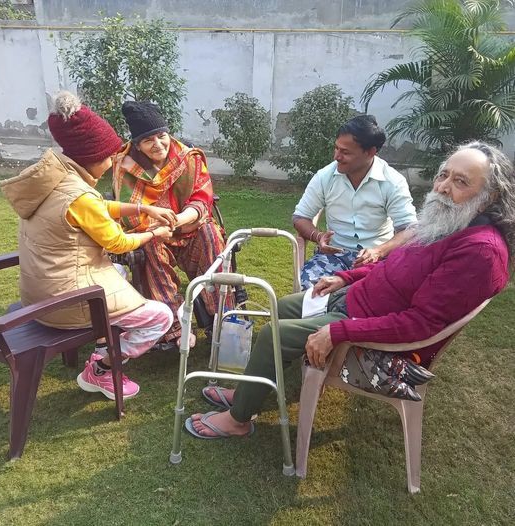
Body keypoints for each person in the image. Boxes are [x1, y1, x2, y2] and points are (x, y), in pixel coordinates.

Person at [185, 141, 514, 438]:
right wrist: (346, 277)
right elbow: (394, 266)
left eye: (461, 182)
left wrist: (338, 332)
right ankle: (249, 392)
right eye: (444, 175)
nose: (442, 187)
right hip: (355, 300)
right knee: (281, 307)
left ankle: (238, 419)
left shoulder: (479, 252)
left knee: (275, 334)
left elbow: (420, 324)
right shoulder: (449, 224)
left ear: (489, 197)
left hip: (374, 336)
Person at [0, 91, 176, 400]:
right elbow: (118, 242)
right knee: (160, 317)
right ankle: (102, 368)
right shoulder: (79, 195)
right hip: (64, 303)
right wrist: (155, 233)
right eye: (109, 157)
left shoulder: (56, 180)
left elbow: (97, 207)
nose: (111, 163)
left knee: (118, 273)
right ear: (92, 157)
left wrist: (142, 209)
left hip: (39, 292)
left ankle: (103, 338)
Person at [112, 101, 228, 345]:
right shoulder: (126, 165)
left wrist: (177, 221)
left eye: (161, 136)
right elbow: (129, 214)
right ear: (137, 145)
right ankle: (175, 326)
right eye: (148, 140)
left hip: (188, 225)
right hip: (153, 231)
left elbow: (201, 199)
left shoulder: (188, 158)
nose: (158, 144)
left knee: (210, 234)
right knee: (150, 244)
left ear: (168, 134)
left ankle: (222, 316)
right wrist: (158, 228)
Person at [293, 114, 417, 289]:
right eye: (336, 148)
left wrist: (378, 251)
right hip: (333, 256)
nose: (336, 156)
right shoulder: (325, 177)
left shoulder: (392, 182)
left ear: (370, 152)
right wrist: (318, 236)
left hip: (376, 259)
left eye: (345, 152)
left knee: (379, 294)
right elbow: (300, 217)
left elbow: (409, 229)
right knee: (311, 290)